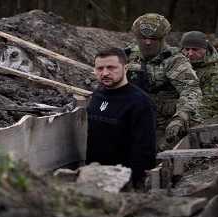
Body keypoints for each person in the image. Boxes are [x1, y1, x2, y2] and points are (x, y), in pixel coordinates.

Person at [125, 13, 203, 150]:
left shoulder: (175, 60)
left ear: (163, 38)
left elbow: (191, 90)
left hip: (164, 121)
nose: (148, 42)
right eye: (143, 38)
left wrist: (181, 118)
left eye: (153, 39)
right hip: (133, 116)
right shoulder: (128, 55)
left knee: (155, 153)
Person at [86, 47, 156, 189]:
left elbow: (145, 149)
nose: (105, 73)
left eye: (111, 67)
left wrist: (133, 182)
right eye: (100, 68)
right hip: (94, 175)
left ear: (126, 68)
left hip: (122, 180)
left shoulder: (140, 102)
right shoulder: (97, 94)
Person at [180, 31, 218, 123]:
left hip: (205, 121)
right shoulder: (178, 68)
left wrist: (182, 118)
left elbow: (212, 105)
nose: (190, 53)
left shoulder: (216, 72)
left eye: (195, 49)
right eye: (187, 49)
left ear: (205, 50)